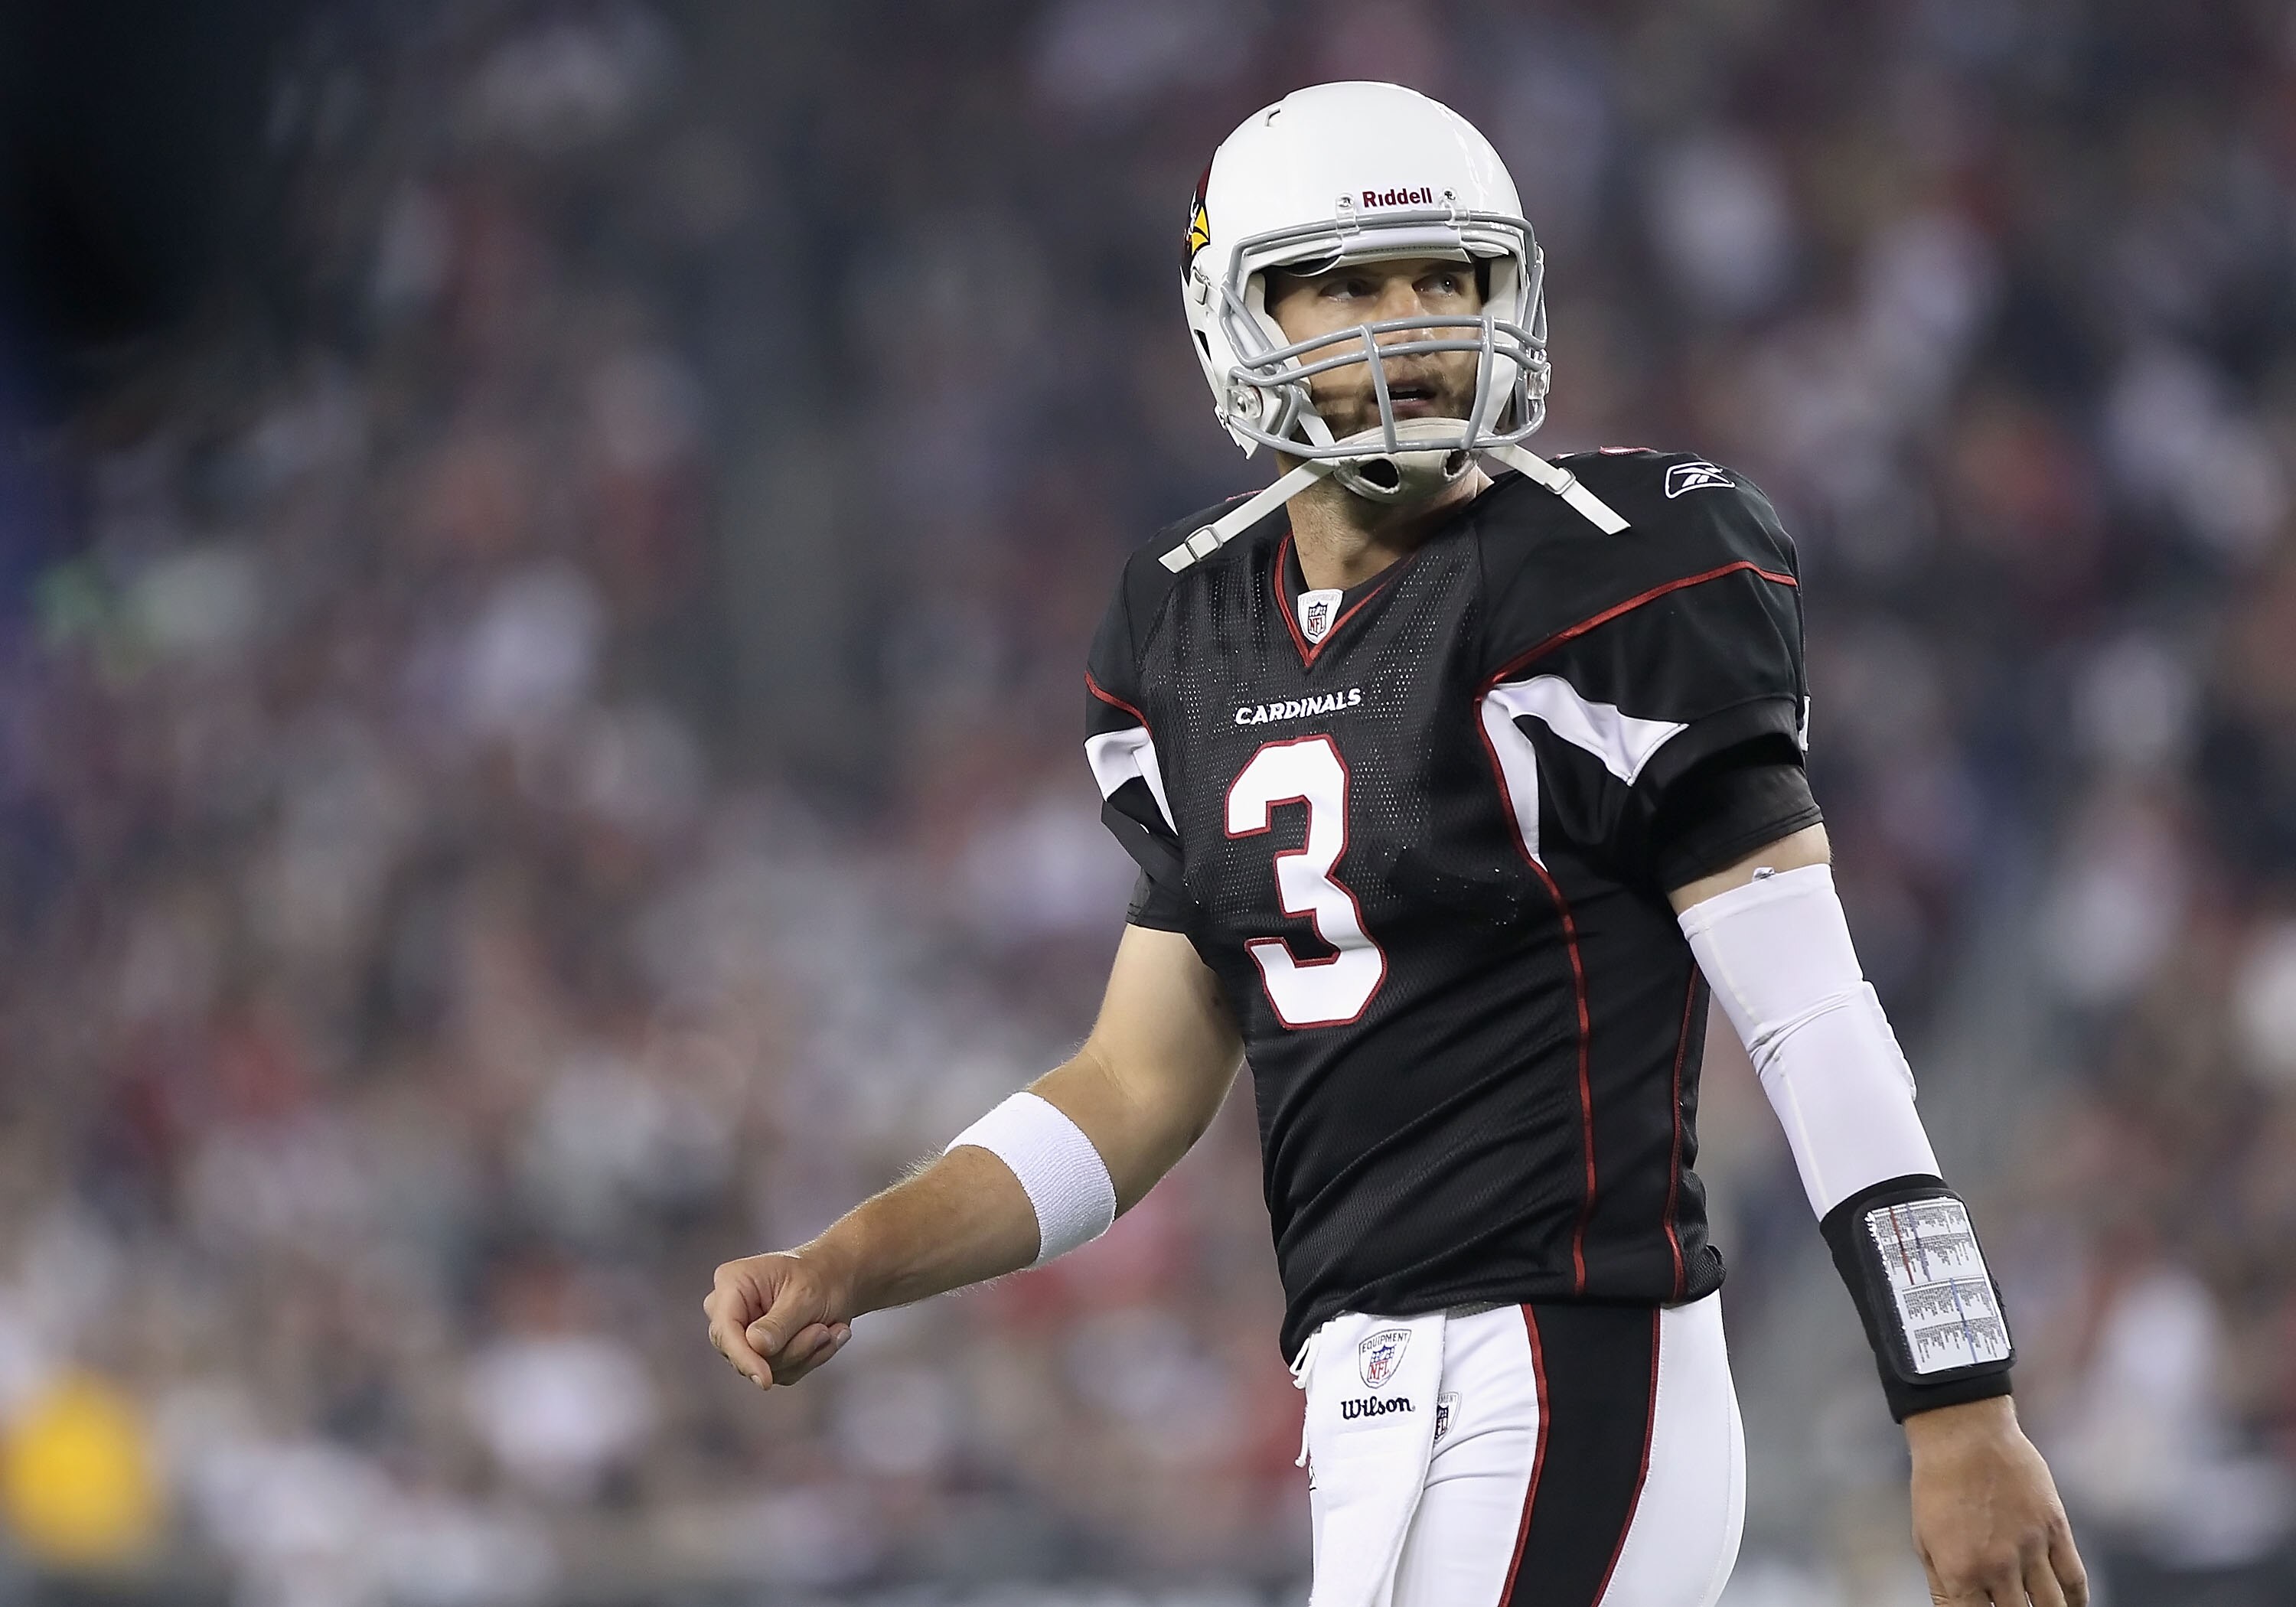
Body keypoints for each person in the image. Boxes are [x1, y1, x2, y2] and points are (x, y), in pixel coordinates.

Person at [706, 81, 2089, 1607]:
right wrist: (856, 1260)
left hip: (1574, 1357)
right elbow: (1131, 1086)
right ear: (1236, 318)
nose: (1415, 323)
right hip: (1359, 1394)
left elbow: (1814, 1018)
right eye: (1353, 284)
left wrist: (1959, 1403)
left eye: (1450, 278)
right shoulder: (1189, 624)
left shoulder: (1621, 569)